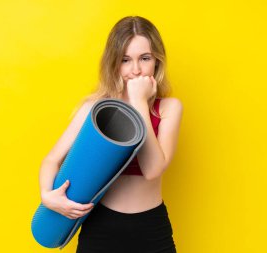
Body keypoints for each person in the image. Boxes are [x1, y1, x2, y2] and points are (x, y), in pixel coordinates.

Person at [38, 16, 183, 253]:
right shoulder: (96, 109)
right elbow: (51, 160)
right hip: (101, 226)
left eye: (144, 58)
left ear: (156, 61)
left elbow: (152, 169)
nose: (135, 70)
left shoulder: (169, 108)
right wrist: (47, 196)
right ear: (114, 63)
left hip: (151, 228)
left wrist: (139, 102)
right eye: (125, 60)